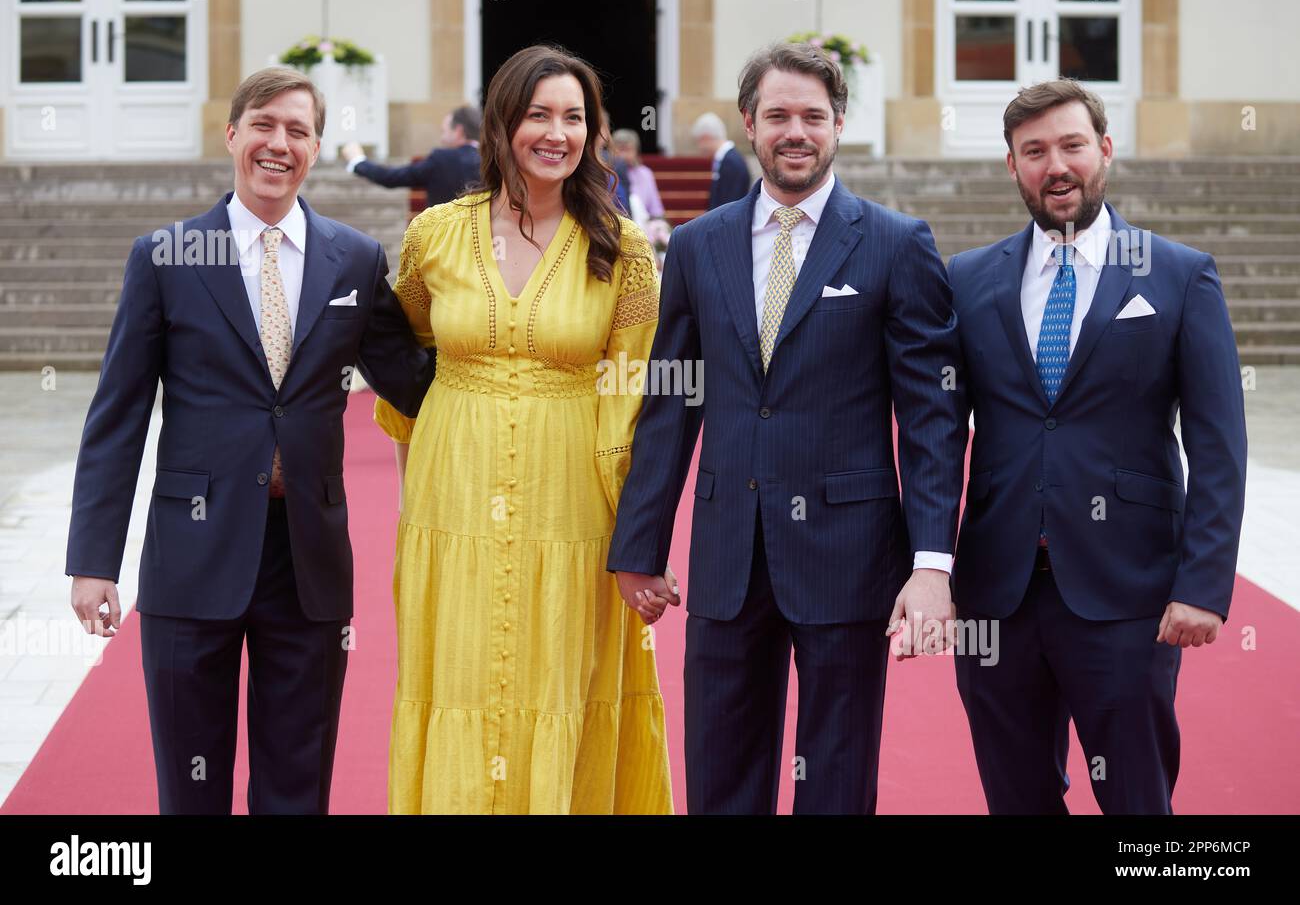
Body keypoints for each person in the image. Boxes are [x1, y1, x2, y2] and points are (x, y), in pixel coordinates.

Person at [65, 67, 438, 814]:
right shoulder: (166, 257)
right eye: (263, 124)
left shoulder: (356, 261)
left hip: (308, 560)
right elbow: (118, 414)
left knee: (297, 787)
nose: (279, 143)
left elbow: (418, 386)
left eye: (298, 130)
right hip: (191, 555)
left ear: (316, 148)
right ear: (232, 134)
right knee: (192, 788)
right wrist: (92, 561)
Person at [608, 42, 967, 814]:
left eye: (812, 115)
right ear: (749, 124)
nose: (794, 130)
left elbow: (931, 416)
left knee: (836, 778)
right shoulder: (700, 244)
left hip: (849, 554)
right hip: (727, 552)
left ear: (839, 124)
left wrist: (931, 561)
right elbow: (672, 400)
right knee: (720, 768)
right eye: (778, 115)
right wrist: (641, 545)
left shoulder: (896, 243)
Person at [372, 44, 674, 814]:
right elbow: (403, 348)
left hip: (574, 506)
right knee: (461, 677)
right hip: (454, 503)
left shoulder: (624, 249)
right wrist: (423, 463)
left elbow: (635, 388)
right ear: (502, 124)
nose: (557, 132)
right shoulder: (433, 236)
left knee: (559, 681)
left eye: (575, 117)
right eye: (538, 114)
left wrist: (636, 533)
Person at [948, 79, 1247, 814]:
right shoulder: (967, 279)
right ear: (1012, 166)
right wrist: (924, 565)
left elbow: (1220, 445)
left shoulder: (1178, 274)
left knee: (1137, 802)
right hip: (997, 597)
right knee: (1016, 799)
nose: (1057, 165)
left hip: (1130, 596)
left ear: (1105, 150)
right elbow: (935, 437)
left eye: (1073, 145)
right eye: (1035, 151)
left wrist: (1203, 586)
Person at [342, 105, 482, 206]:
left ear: (458, 131)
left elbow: (391, 178)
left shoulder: (441, 159)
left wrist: (358, 161)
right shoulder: (493, 159)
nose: (442, 139)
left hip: (444, 240)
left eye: (443, 132)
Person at [693, 111, 752, 210]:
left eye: (699, 142)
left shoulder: (731, 163)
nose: (699, 148)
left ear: (706, 138)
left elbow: (731, 203)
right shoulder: (726, 159)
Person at [610, 128, 665, 227]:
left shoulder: (645, 173)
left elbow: (655, 210)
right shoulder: (608, 174)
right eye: (620, 150)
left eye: (628, 150)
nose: (623, 155)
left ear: (636, 151)